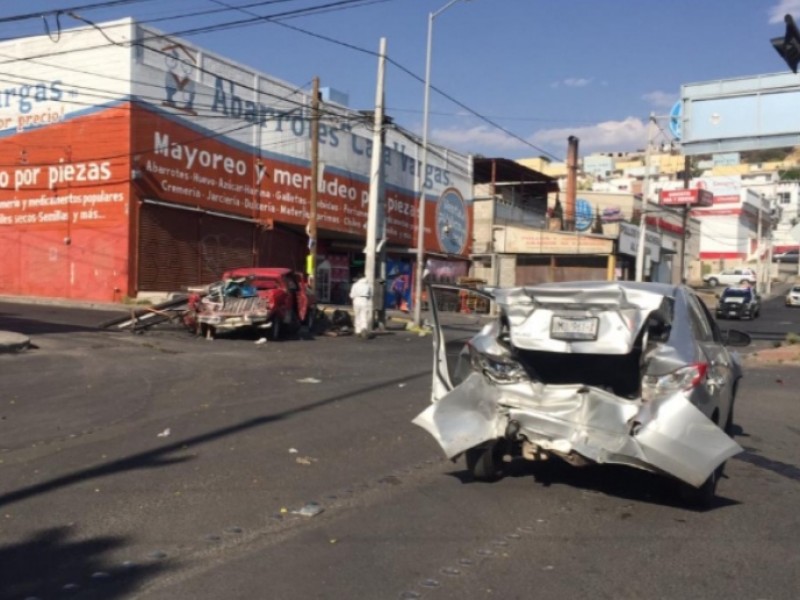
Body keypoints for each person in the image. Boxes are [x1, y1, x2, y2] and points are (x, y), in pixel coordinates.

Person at [349, 273, 372, 338]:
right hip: (364, 300)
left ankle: (357, 330)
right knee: (364, 316)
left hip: (356, 300)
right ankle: (364, 328)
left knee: (357, 315)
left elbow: (352, 295)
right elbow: (370, 295)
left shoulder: (355, 285)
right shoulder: (368, 285)